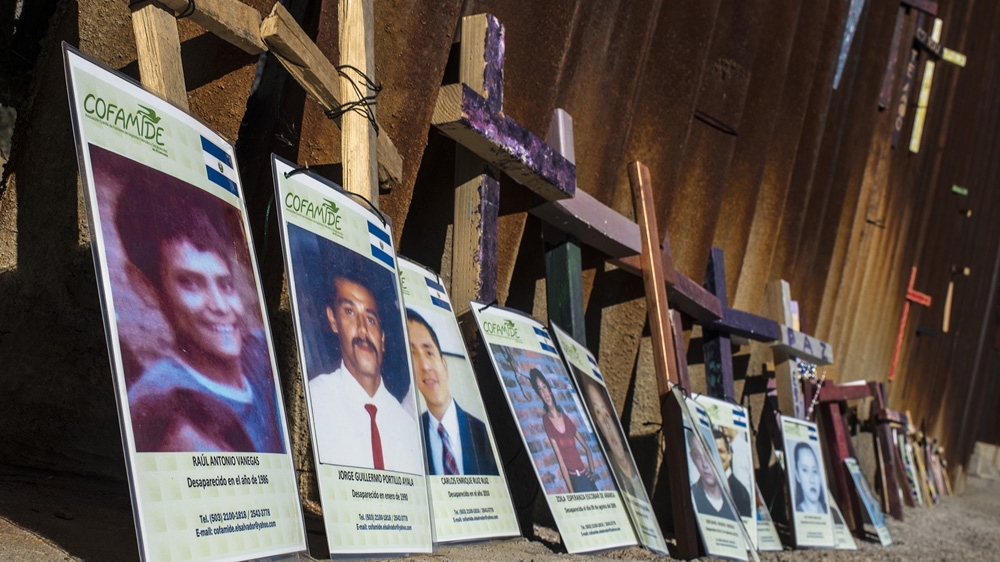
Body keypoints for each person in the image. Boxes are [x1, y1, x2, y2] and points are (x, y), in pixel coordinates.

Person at [117, 179, 285, 454]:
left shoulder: (261, 357)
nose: (220, 306)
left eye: (225, 284)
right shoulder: (159, 407)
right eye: (190, 283)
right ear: (146, 286)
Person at [309, 272, 422, 473]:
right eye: (350, 312)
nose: (362, 330)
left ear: (383, 340)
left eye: (370, 319)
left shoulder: (407, 427)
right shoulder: (316, 401)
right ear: (333, 319)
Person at [406, 309, 498, 476]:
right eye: (413, 354)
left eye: (429, 352)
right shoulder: (411, 436)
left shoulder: (483, 433)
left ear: (444, 366)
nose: (425, 366)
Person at [530, 369, 597, 493]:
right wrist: (572, 493)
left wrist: (592, 473)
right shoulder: (547, 420)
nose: (544, 392)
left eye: (544, 386)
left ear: (549, 388)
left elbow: (587, 448)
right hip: (574, 480)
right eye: (540, 389)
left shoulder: (565, 418)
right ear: (538, 394)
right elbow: (560, 460)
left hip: (586, 478)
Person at [580, 374, 643, 498]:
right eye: (598, 413)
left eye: (606, 412)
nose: (607, 423)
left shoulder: (634, 465)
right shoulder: (605, 473)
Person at [689, 431, 737, 521]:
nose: (705, 464)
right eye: (697, 455)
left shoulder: (736, 493)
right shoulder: (691, 495)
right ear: (692, 458)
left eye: (707, 454)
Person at [713, 429, 752, 518]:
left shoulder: (741, 492)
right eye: (714, 451)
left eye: (721, 451)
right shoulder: (706, 485)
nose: (718, 456)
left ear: (729, 454)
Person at [793, 442, 828, 514]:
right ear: (798, 476)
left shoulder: (831, 512)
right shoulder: (797, 513)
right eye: (805, 470)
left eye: (814, 471)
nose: (812, 480)